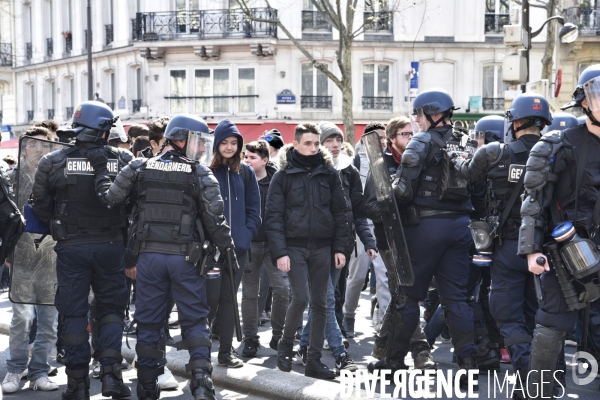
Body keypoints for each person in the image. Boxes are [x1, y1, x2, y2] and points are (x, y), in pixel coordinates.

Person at [89, 114, 237, 400]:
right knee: (194, 320)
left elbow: (110, 198)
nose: (203, 149)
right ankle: (202, 382)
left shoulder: (138, 166)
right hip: (186, 259)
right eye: (198, 141)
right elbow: (216, 220)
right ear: (180, 139)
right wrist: (227, 249)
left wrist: (100, 173)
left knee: (149, 322)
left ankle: (146, 385)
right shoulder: (199, 173)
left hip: (148, 258)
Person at [31, 101, 133, 400]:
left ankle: (77, 385)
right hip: (112, 245)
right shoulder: (123, 158)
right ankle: (112, 376)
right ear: (103, 129)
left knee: (74, 313)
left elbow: (40, 205)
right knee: (112, 310)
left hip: (71, 248)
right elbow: (133, 202)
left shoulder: (52, 161)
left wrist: (59, 225)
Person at [378, 89, 478, 385]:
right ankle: (468, 366)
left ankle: (393, 364)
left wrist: (389, 190)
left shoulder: (421, 140)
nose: (417, 121)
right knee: (457, 299)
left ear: (432, 114)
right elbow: (479, 188)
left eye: (419, 115)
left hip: (426, 226)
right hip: (461, 226)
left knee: (408, 296)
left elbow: (404, 191)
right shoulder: (467, 141)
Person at [458, 93, 552, 393]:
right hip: (546, 250)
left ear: (514, 121)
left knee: (508, 318)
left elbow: (468, 176)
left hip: (509, 247)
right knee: (537, 316)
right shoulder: (557, 152)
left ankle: (529, 378)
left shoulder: (494, 153)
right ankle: (547, 377)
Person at [518, 64, 600, 398]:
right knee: (554, 322)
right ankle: (537, 390)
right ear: (585, 102)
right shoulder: (558, 144)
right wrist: (532, 250)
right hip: (566, 251)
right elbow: (534, 200)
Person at [265, 123, 350, 379]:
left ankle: (313, 360)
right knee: (300, 298)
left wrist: (340, 248)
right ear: (296, 144)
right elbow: (273, 217)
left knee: (321, 303)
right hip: (294, 247)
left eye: (316, 143)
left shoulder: (329, 173)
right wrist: (280, 253)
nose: (313, 148)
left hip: (323, 247)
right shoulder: (283, 176)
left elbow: (340, 213)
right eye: (308, 143)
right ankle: (285, 347)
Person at [295, 121, 374, 374]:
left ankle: (304, 346)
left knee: (324, 300)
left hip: (341, 246)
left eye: (337, 140)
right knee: (327, 300)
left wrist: (368, 241)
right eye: (328, 140)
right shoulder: (315, 170)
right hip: (316, 247)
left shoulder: (350, 171)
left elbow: (356, 214)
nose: (335, 145)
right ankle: (341, 354)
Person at [363, 117, 437, 371]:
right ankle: (420, 351)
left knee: (401, 296)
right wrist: (397, 213)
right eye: (405, 134)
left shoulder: (417, 162)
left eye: (412, 133)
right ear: (391, 138)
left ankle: (383, 345)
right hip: (391, 242)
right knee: (406, 295)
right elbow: (369, 206)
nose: (410, 137)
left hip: (418, 239)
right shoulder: (380, 164)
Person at [209, 119, 261, 368]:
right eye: (224, 142)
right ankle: (199, 352)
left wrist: (245, 235)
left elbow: (254, 210)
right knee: (208, 300)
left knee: (230, 299)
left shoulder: (246, 171)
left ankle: (226, 352)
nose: (229, 147)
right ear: (217, 144)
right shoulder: (206, 171)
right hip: (211, 250)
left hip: (238, 249)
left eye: (234, 143)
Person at [240, 140, 289, 357]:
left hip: (273, 245)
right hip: (249, 244)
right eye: (246, 157)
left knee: (282, 289)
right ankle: (250, 338)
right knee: (250, 293)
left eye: (252, 158)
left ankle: (278, 336)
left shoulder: (277, 181)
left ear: (265, 160)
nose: (247, 161)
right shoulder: (240, 179)